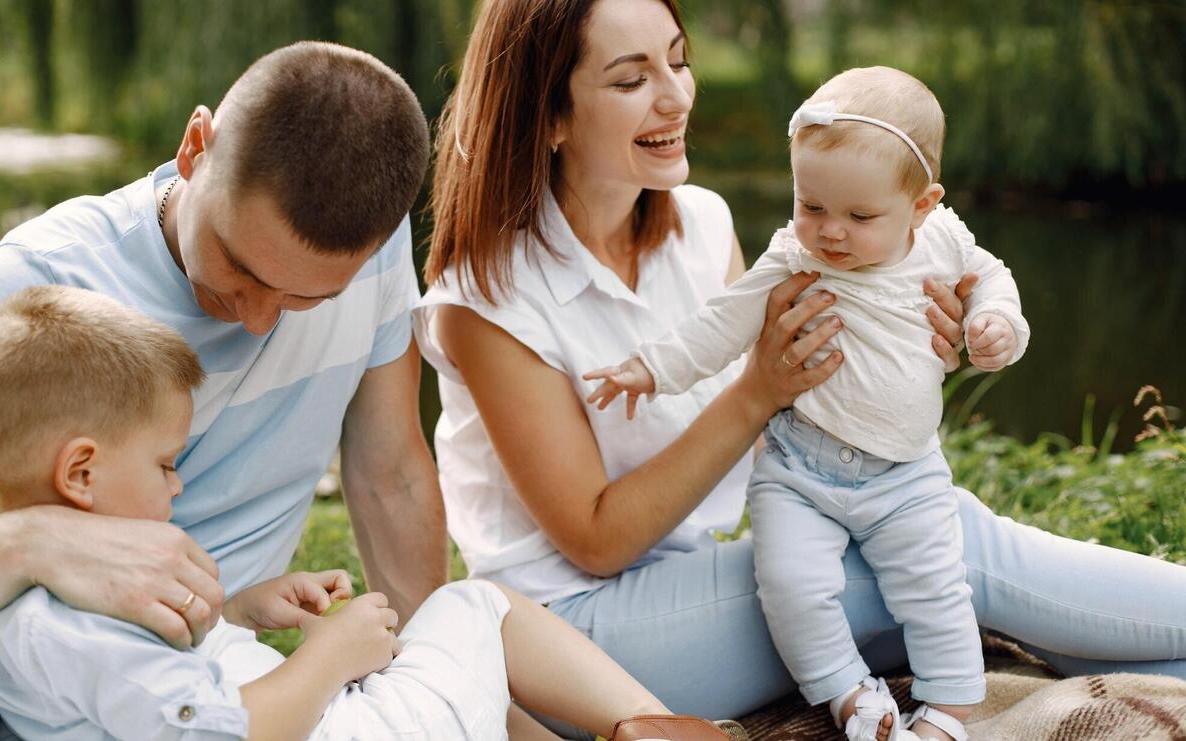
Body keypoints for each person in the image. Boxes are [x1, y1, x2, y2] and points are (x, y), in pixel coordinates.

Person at [414, 0, 1186, 737]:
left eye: (679, 63)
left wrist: (902, 355)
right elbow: (596, 537)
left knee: (925, 539)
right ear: (548, 114)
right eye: (630, 78)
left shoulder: (700, 224)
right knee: (957, 549)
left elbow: (790, 420)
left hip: (706, 583)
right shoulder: (489, 297)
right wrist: (758, 390)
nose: (675, 96)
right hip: (580, 639)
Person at [0, 285, 737, 741]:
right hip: (350, 730)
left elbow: (156, 692)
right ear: (81, 472)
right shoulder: (65, 626)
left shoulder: (51, 597)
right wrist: (331, 655)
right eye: (165, 464)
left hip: (333, 717)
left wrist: (244, 609)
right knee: (478, 609)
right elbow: (237, 732)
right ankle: (660, 726)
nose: (176, 488)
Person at [0, 41, 444, 739]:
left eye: (305, 297)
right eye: (239, 266)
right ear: (195, 146)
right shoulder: (31, 287)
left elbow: (391, 474)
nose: (258, 320)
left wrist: (426, 674)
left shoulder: (367, 251)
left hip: (235, 669)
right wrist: (30, 540)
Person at [583, 65, 1030, 741]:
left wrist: (998, 324)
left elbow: (991, 279)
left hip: (904, 474)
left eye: (859, 216)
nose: (831, 233)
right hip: (800, 469)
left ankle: (945, 711)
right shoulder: (794, 257)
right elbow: (723, 320)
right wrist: (650, 370)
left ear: (923, 205)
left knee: (936, 587)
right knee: (789, 586)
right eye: (812, 205)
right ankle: (850, 695)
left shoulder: (942, 243)